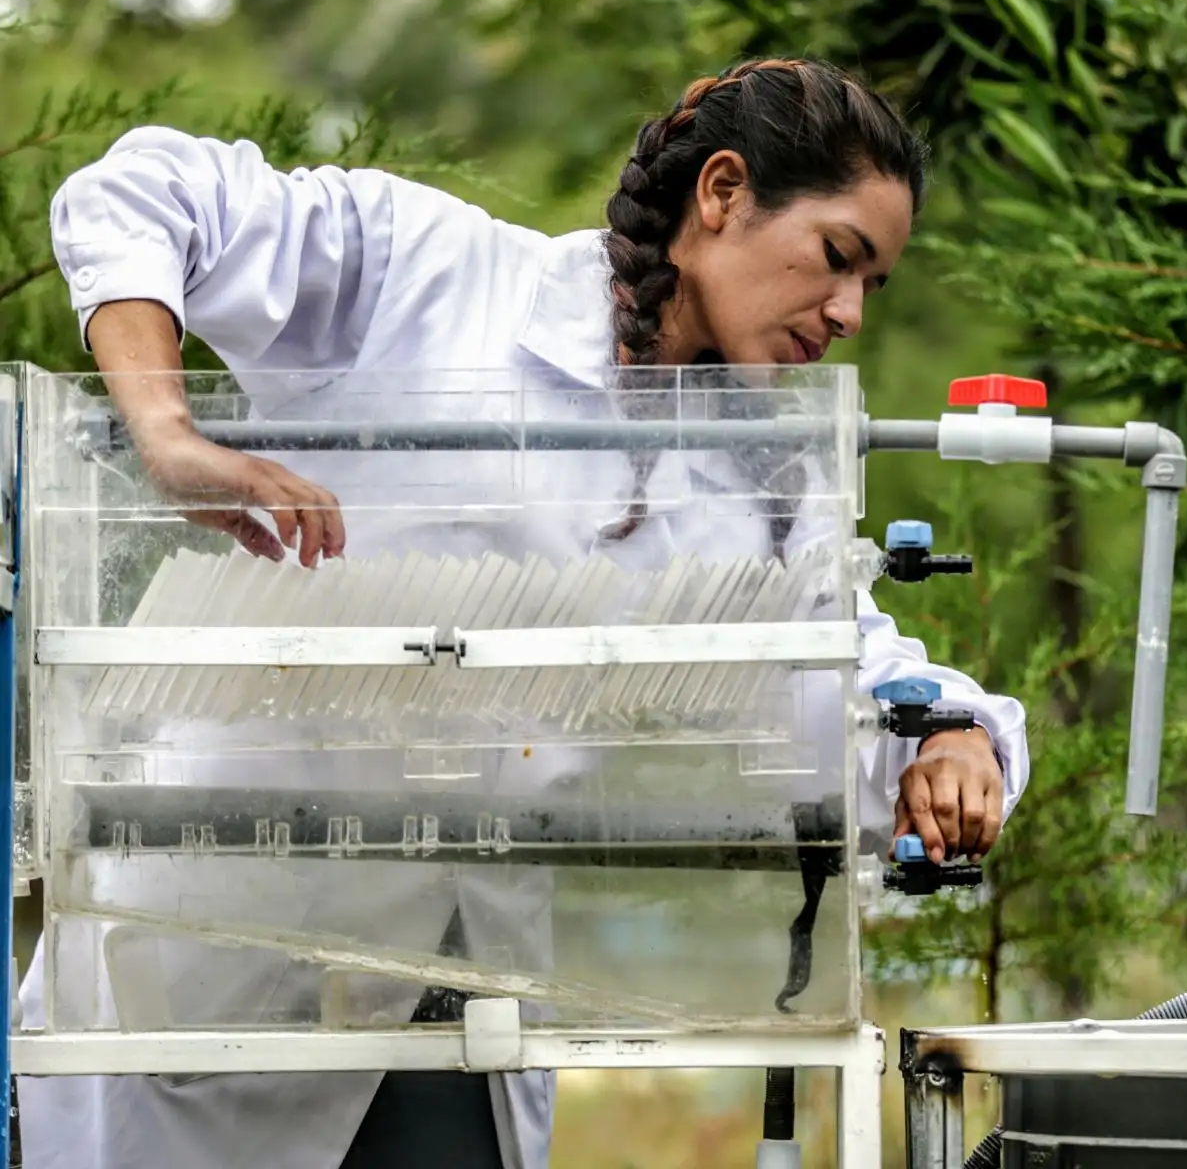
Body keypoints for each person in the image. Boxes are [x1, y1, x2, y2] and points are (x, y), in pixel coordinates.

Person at [21, 58, 1031, 1169]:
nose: (844, 314)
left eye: (869, 289)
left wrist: (949, 734)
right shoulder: (425, 272)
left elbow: (842, 668)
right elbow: (141, 191)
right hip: (230, 944)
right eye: (838, 259)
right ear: (724, 193)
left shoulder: (762, 474)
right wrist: (169, 436)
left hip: (474, 987)